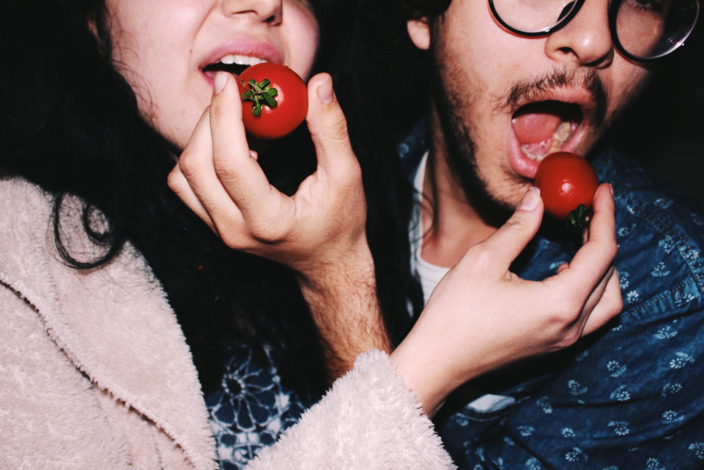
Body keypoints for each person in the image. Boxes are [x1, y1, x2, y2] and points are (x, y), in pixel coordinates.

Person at [0, 0, 622, 469]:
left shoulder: (346, 205)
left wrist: (336, 270)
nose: (266, 4)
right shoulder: (16, 267)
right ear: (87, 14)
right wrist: (431, 364)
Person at [330, 0, 704, 467]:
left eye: (643, 1)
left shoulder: (676, 304)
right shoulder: (336, 184)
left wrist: (331, 280)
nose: (593, 42)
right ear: (423, 13)